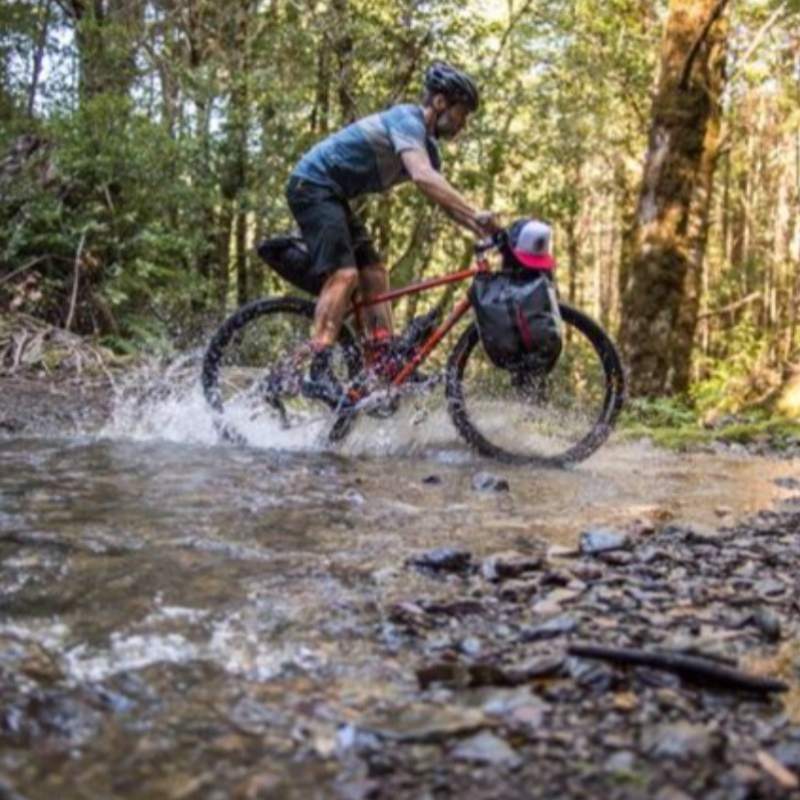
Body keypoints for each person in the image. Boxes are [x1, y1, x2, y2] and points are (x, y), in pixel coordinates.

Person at [286, 62, 499, 406]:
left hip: (333, 194)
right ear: (441, 103)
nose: (464, 123)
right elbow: (422, 177)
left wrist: (483, 231)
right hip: (311, 185)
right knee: (345, 273)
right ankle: (319, 367)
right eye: (463, 113)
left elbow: (443, 200)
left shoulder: (428, 147)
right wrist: (478, 214)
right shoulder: (407, 120)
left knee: (374, 272)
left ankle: (382, 357)